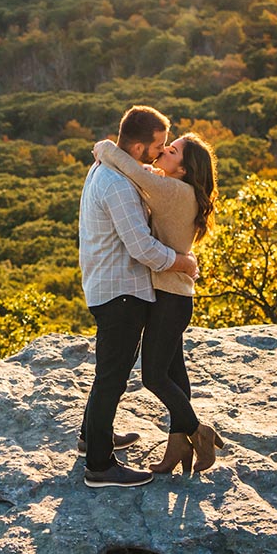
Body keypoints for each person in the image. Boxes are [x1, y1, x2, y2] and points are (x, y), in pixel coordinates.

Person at [78, 105, 199, 488]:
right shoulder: (116, 185)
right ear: (138, 147)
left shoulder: (107, 170)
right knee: (112, 377)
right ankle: (100, 465)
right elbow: (143, 249)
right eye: (158, 145)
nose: (160, 153)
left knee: (108, 374)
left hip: (111, 288)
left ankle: (91, 436)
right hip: (121, 293)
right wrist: (182, 262)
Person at [93, 131, 224, 473]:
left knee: (153, 375)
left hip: (169, 299)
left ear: (182, 170)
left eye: (172, 150)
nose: (164, 151)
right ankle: (178, 443)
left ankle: (198, 430)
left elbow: (131, 168)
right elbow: (147, 174)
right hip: (173, 296)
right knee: (174, 371)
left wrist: (104, 147)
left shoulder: (174, 192)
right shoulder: (181, 190)